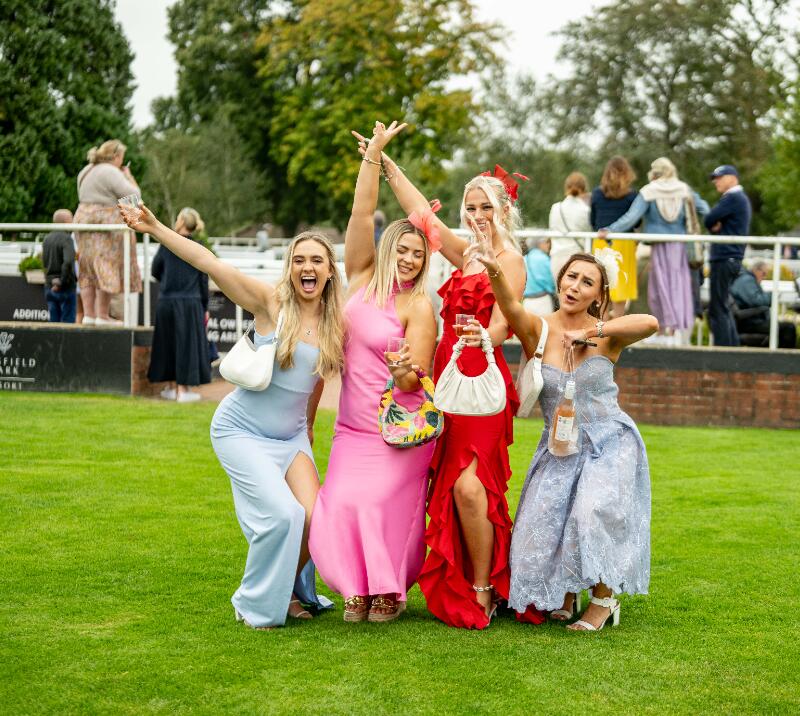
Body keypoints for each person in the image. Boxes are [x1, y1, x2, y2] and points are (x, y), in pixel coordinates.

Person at [119, 201, 344, 630]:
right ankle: (253, 601)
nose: (307, 267)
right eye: (298, 260)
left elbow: (314, 383)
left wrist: (309, 428)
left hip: (291, 437)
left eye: (317, 260)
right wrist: (155, 228)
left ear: (330, 270)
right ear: (289, 267)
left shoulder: (337, 325)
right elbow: (207, 261)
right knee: (284, 515)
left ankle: (289, 592)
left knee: (317, 519)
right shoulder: (270, 303)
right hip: (241, 431)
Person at [370, 146, 528, 628]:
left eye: (485, 207)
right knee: (450, 485)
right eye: (471, 207)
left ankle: (484, 585)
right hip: (448, 380)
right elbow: (420, 215)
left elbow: (507, 323)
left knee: (470, 487)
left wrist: (483, 336)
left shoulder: (510, 259)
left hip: (481, 380)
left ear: (503, 210)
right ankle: (464, 581)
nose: (477, 215)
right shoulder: (464, 254)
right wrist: (386, 164)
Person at [465, 238, 658, 631]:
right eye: (571, 276)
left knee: (591, 512)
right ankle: (566, 593)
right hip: (559, 445)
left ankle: (604, 601)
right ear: (559, 280)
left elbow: (650, 324)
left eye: (588, 282)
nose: (575, 286)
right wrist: (495, 270)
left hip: (609, 440)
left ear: (599, 294)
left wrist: (596, 330)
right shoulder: (539, 329)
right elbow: (511, 307)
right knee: (540, 529)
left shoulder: (609, 334)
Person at [309, 121, 438, 623]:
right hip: (351, 428)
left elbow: (418, 379)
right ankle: (357, 589)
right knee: (340, 501)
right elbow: (361, 211)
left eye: (417, 255)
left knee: (382, 506)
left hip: (400, 431)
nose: (408, 260)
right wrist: (374, 158)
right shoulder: (360, 276)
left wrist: (404, 370)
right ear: (387, 248)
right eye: (402, 250)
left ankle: (387, 590)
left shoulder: (419, 305)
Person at [599, 157, 708, 345]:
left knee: (660, 288)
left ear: (654, 174)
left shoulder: (649, 191)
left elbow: (631, 217)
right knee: (677, 286)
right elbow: (704, 208)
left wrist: (610, 230)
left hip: (658, 246)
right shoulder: (684, 189)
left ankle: (664, 332)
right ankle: (675, 334)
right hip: (680, 246)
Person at [148, 208, 212, 402]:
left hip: (166, 301)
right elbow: (203, 279)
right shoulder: (198, 247)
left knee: (166, 344)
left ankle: (169, 387)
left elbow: (155, 270)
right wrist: (205, 306)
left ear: (181, 222)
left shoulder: (166, 245)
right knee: (187, 346)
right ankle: (183, 391)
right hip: (190, 302)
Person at [704, 165, 752, 347]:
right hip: (731, 258)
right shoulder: (738, 199)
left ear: (732, 178)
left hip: (725, 257)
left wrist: (715, 225)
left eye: (719, 177)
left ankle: (724, 352)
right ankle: (732, 348)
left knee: (718, 308)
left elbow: (709, 218)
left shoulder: (732, 197)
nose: (716, 181)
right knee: (723, 306)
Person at [591, 156, 640, 317]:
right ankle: (617, 326)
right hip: (624, 243)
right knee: (622, 287)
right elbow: (636, 221)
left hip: (601, 241)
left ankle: (601, 327)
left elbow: (593, 220)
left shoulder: (597, 194)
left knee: (602, 286)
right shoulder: (632, 196)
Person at [730, 260, 796, 348]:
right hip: (749, 323)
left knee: (784, 327)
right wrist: (772, 295)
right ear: (756, 270)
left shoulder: (747, 279)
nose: (764, 277)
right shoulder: (747, 280)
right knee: (788, 327)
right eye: (764, 273)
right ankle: (784, 359)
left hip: (749, 320)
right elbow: (757, 301)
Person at [549, 172, 592, 284]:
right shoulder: (585, 210)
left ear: (566, 187)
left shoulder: (555, 208)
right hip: (577, 258)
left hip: (557, 258)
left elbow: (552, 229)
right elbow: (589, 232)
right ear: (584, 188)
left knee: (561, 297)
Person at [42, 209, 77, 323]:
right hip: (65, 287)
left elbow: (44, 262)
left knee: (53, 323)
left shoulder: (46, 238)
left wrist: (52, 281)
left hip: (49, 286)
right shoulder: (67, 239)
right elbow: (68, 262)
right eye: (72, 219)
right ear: (66, 222)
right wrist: (61, 282)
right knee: (67, 326)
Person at [523, 237, 557, 315]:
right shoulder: (544, 258)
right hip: (543, 300)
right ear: (540, 244)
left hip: (527, 302)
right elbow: (551, 280)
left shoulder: (524, 258)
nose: (549, 245)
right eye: (547, 242)